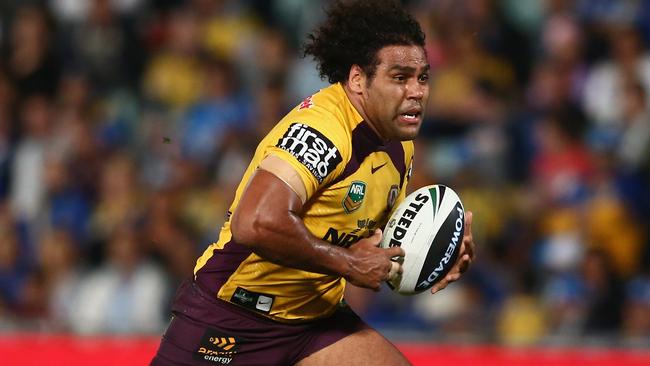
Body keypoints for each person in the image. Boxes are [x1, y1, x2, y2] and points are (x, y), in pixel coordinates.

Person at [150, 1, 475, 365]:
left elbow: (367, 231)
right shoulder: (322, 131)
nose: (417, 91)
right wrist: (350, 265)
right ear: (357, 80)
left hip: (313, 324)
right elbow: (254, 222)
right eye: (400, 78)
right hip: (233, 316)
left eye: (423, 77)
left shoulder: (401, 148)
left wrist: (436, 245)